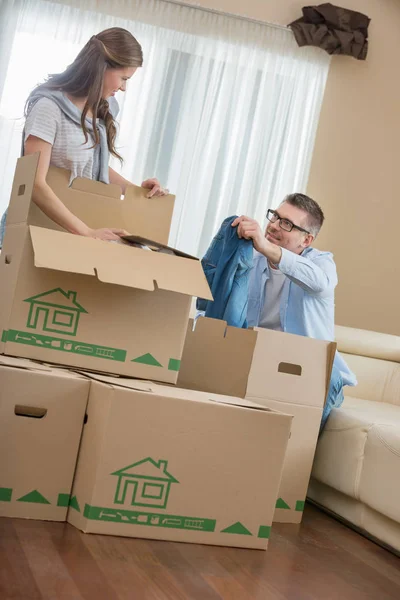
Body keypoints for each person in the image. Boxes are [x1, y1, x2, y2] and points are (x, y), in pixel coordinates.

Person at [0, 27, 168, 245]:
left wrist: (138, 191)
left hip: (71, 233)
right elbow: (35, 183)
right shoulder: (49, 108)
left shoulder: (101, 111)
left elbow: (93, 165)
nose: (124, 88)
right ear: (102, 68)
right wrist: (86, 232)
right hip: (32, 231)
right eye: (123, 78)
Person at [232, 193, 357, 432]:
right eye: (275, 217)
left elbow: (320, 282)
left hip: (310, 372)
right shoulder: (252, 259)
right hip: (262, 363)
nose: (274, 225)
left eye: (286, 223)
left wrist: (267, 247)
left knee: (290, 437)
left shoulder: (321, 263)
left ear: (306, 240)